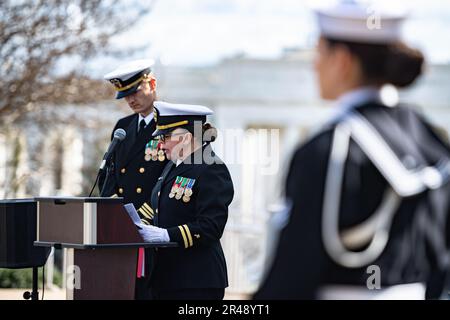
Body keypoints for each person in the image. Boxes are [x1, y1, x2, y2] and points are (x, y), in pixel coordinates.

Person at [254, 1, 450, 300]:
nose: (314, 64)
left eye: (319, 51)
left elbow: (291, 279)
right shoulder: (432, 143)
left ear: (342, 60)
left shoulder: (328, 150)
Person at [135, 101, 234, 300]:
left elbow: (211, 226)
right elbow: (157, 205)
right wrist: (133, 222)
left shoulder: (211, 167)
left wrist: (166, 235)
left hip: (196, 281)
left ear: (186, 138)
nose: (161, 144)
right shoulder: (174, 165)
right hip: (166, 278)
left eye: (165, 137)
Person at [101, 59, 168, 299]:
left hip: (156, 224)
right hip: (124, 227)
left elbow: (177, 175)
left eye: (135, 91)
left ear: (152, 83)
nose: (131, 100)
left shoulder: (174, 122)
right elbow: (111, 175)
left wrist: (144, 215)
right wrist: (108, 210)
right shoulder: (123, 126)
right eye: (125, 95)